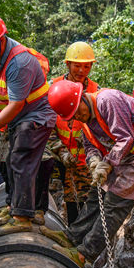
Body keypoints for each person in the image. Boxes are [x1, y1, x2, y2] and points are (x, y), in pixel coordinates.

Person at [42, 79, 134, 267]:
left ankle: (85, 254)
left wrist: (107, 164)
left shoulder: (107, 101)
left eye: (78, 111)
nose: (78, 116)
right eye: (73, 116)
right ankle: (72, 236)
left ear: (82, 98)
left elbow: (125, 138)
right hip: (127, 155)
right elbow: (90, 145)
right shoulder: (84, 119)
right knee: (97, 193)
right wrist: (94, 161)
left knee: (115, 202)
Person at [0, 13, 57, 235]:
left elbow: (17, 104)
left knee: (21, 159)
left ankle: (23, 216)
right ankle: (11, 207)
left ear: (1, 39)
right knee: (6, 162)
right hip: (15, 116)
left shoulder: (19, 62)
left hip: (35, 115)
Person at [48, 41, 97, 225]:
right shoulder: (53, 88)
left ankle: (77, 244)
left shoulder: (95, 91)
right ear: (67, 64)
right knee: (53, 203)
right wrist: (61, 151)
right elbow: (46, 126)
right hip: (54, 157)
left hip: (82, 162)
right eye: (77, 66)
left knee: (79, 208)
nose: (81, 71)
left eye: (86, 66)